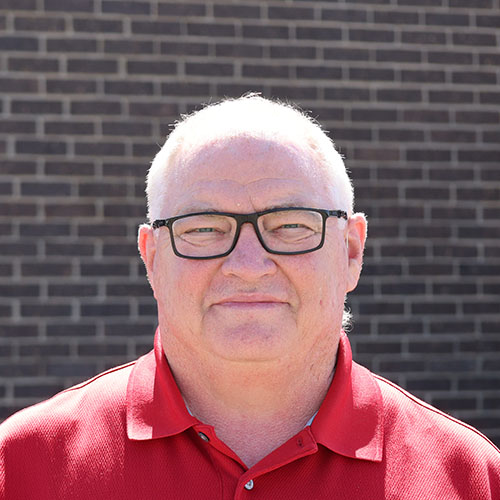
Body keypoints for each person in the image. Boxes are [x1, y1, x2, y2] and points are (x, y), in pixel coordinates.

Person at [0, 95, 498, 499]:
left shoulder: (470, 479)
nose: (247, 265)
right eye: (205, 229)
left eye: (289, 226)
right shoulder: (21, 468)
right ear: (151, 258)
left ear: (350, 252)